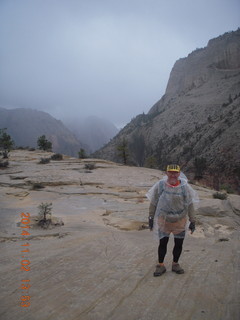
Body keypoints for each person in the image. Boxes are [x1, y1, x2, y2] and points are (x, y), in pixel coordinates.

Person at [146, 164, 198, 276]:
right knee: (163, 243)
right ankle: (161, 265)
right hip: (164, 220)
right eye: (171, 172)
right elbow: (154, 202)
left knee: (178, 244)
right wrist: (151, 217)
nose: (173, 175)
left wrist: (192, 220)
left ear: (179, 173)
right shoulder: (160, 185)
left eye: (175, 172)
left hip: (180, 221)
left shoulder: (185, 187)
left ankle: (175, 264)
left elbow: (190, 204)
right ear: (166, 173)